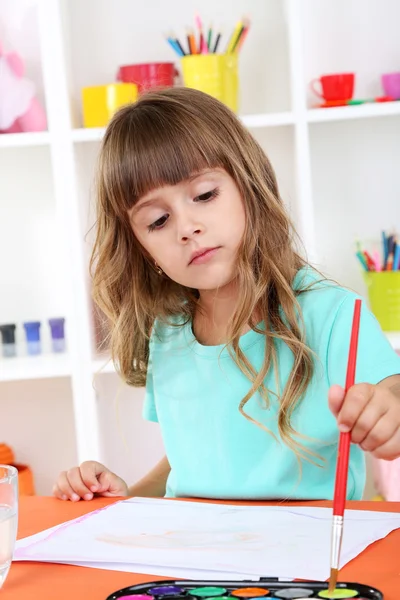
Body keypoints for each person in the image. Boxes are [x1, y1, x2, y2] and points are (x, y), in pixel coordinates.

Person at [53, 88, 400, 503]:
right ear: (141, 248)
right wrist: (122, 497)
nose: (187, 227)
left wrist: (388, 410)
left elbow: (392, 391)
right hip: (196, 559)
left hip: (303, 560)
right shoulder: (167, 331)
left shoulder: (332, 313)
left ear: (249, 186)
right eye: (158, 220)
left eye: (204, 196)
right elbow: (188, 464)